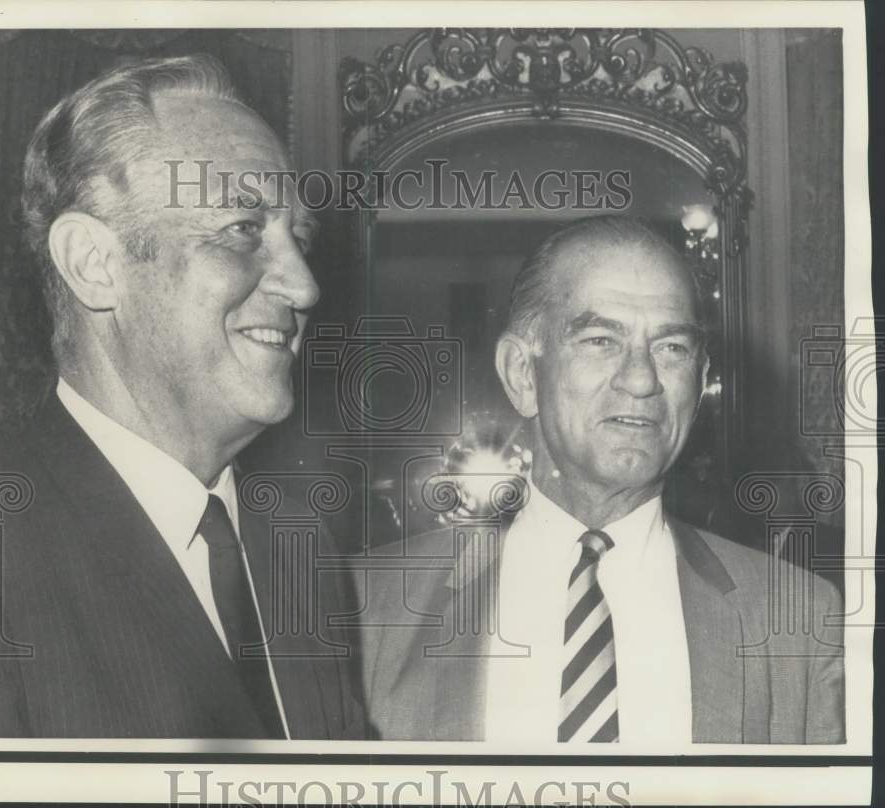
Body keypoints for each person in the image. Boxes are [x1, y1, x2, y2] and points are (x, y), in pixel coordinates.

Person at [360, 216, 844, 745]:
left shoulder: (798, 619)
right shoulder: (367, 603)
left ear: (702, 381)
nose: (640, 379)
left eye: (672, 348)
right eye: (599, 340)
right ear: (523, 374)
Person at [0, 54, 366, 739]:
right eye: (242, 230)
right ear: (95, 265)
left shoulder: (300, 556)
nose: (305, 286)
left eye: (299, 237)